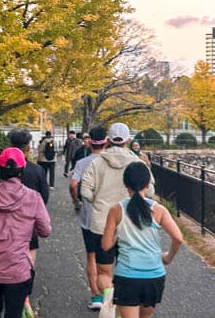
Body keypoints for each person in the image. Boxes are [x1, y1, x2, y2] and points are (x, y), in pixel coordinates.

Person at [81, 122, 155, 310]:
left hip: (102, 223)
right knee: (128, 269)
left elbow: (85, 191)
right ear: (128, 140)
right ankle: (124, 305)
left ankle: (109, 295)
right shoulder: (137, 163)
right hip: (130, 222)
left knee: (104, 271)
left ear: (108, 140)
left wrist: (98, 200)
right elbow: (151, 191)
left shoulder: (97, 162)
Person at [101, 162, 182, 318]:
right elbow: (178, 238)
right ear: (147, 184)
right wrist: (167, 257)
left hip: (127, 276)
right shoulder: (159, 210)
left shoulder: (116, 210)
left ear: (126, 184)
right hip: (154, 275)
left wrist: (118, 234)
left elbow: (105, 245)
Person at [0, 147, 51, 318]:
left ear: (0, 169)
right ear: (22, 170)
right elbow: (45, 231)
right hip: (19, 269)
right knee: (14, 313)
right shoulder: (33, 197)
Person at [69, 127, 109, 310]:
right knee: (111, 258)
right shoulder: (110, 161)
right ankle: (110, 292)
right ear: (106, 141)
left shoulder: (83, 163)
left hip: (89, 216)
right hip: (110, 216)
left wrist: (76, 201)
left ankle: (96, 295)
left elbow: (73, 184)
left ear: (90, 140)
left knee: (91, 256)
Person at [8, 130, 50, 265]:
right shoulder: (37, 170)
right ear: (28, 148)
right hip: (29, 220)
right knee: (30, 252)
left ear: (9, 146)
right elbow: (44, 196)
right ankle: (27, 277)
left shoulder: (0, 169)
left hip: (5, 221)